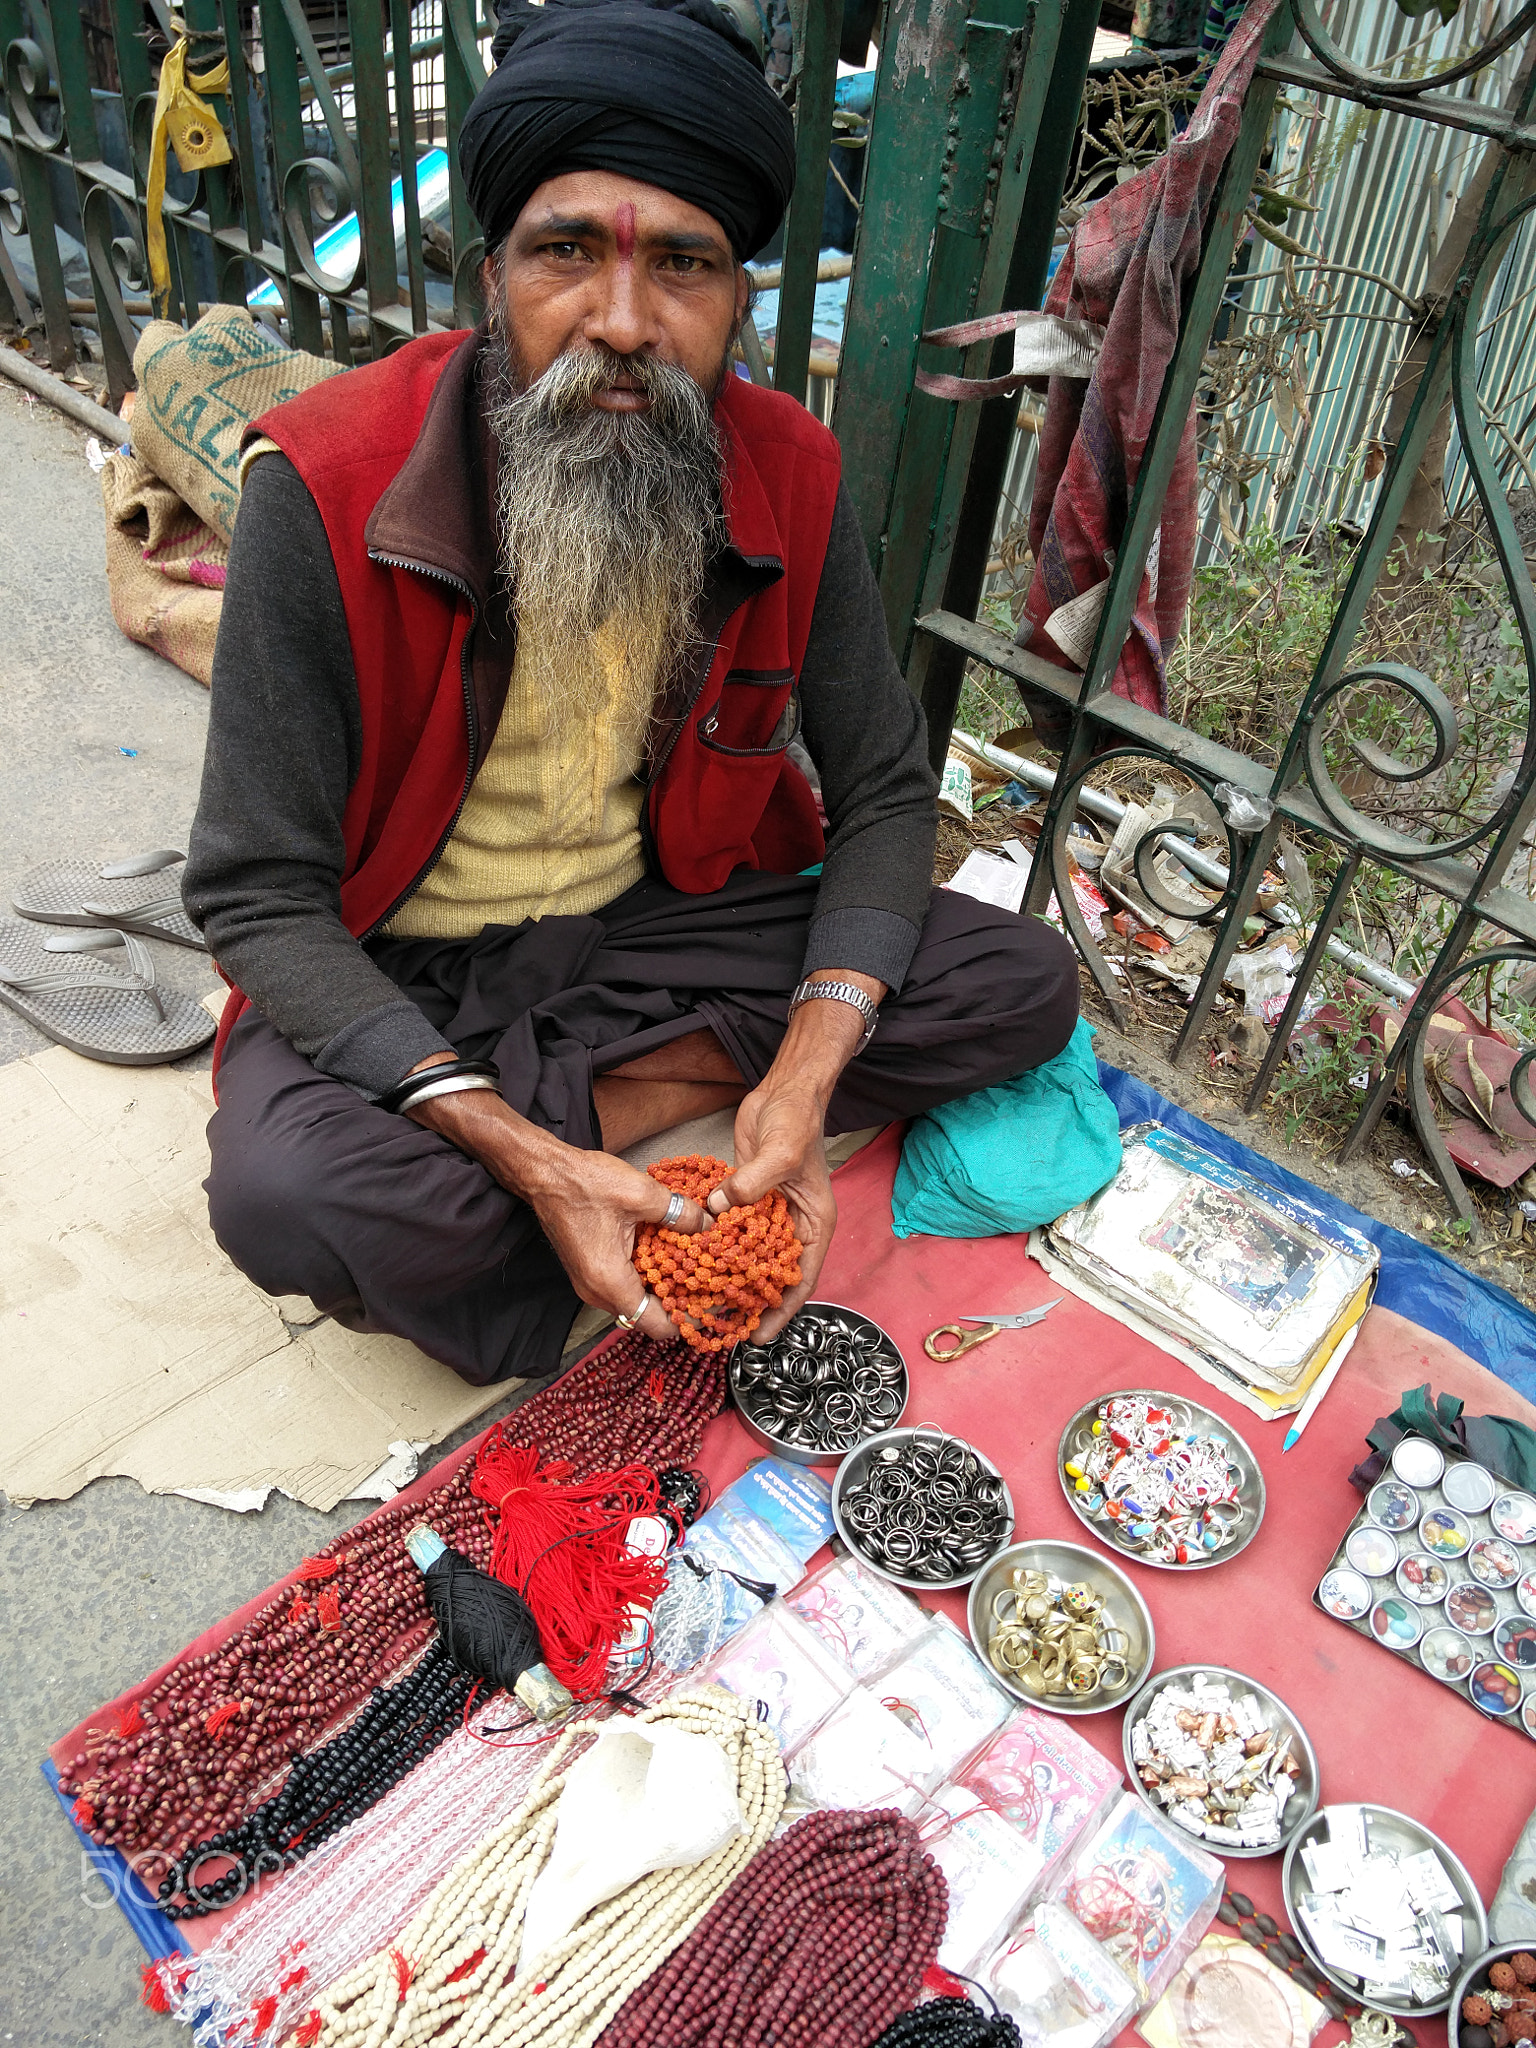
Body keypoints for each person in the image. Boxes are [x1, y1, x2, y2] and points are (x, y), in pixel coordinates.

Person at [185, 0, 1079, 1386]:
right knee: (291, 1200)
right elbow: (253, 895)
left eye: (683, 266)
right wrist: (532, 1158)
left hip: (659, 920)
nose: (622, 320)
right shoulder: (321, 483)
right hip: (407, 961)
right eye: (566, 255)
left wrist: (803, 1079)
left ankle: (613, 1097)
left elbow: (889, 789)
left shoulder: (789, 465)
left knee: (1018, 980)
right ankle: (570, 1128)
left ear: (739, 297)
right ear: (496, 276)